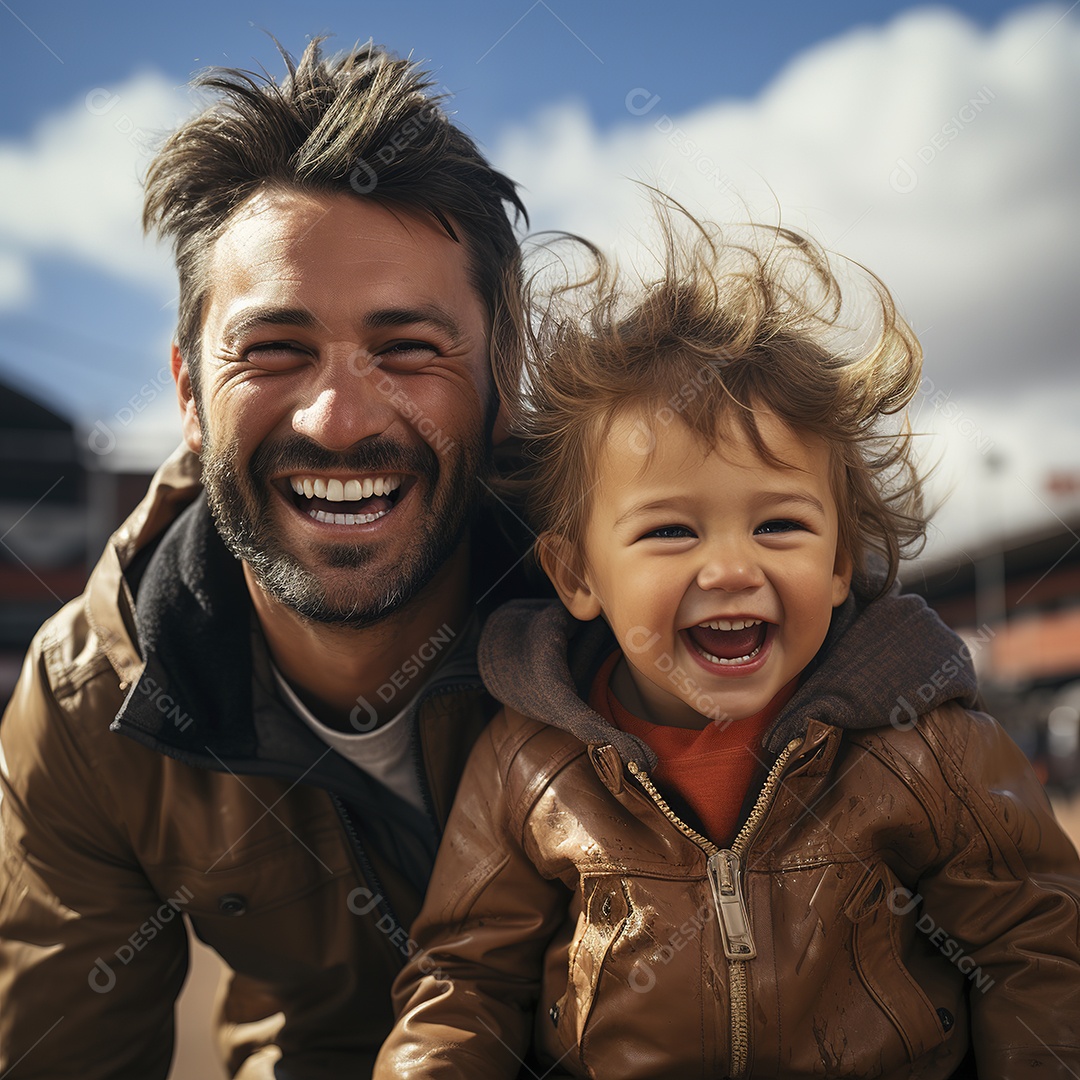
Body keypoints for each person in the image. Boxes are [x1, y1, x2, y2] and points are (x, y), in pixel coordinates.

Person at [374, 208, 1080, 1077]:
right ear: (575, 577)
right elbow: (465, 982)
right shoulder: (529, 764)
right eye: (671, 533)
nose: (732, 568)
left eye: (780, 524)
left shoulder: (927, 743)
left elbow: (1038, 947)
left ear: (838, 564)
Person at [0, 38, 530, 1079]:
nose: (337, 421)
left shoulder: (660, 592)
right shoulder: (85, 700)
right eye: (274, 350)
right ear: (190, 394)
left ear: (503, 375)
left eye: (410, 348)